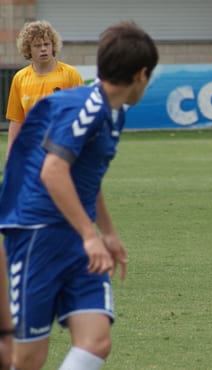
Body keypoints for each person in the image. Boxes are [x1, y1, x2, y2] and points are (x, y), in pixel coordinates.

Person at [0, 21, 158, 369]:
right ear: (142, 74)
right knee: (26, 360)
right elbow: (53, 170)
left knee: (97, 342)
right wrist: (91, 236)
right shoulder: (88, 108)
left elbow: (85, 176)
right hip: (36, 234)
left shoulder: (114, 115)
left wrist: (109, 233)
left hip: (76, 239)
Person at [5, 20, 84, 159]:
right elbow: (17, 120)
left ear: (53, 45)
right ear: (27, 49)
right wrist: (11, 151)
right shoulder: (20, 78)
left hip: (62, 148)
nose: (43, 49)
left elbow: (82, 113)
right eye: (37, 45)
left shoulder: (70, 75)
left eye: (46, 44)